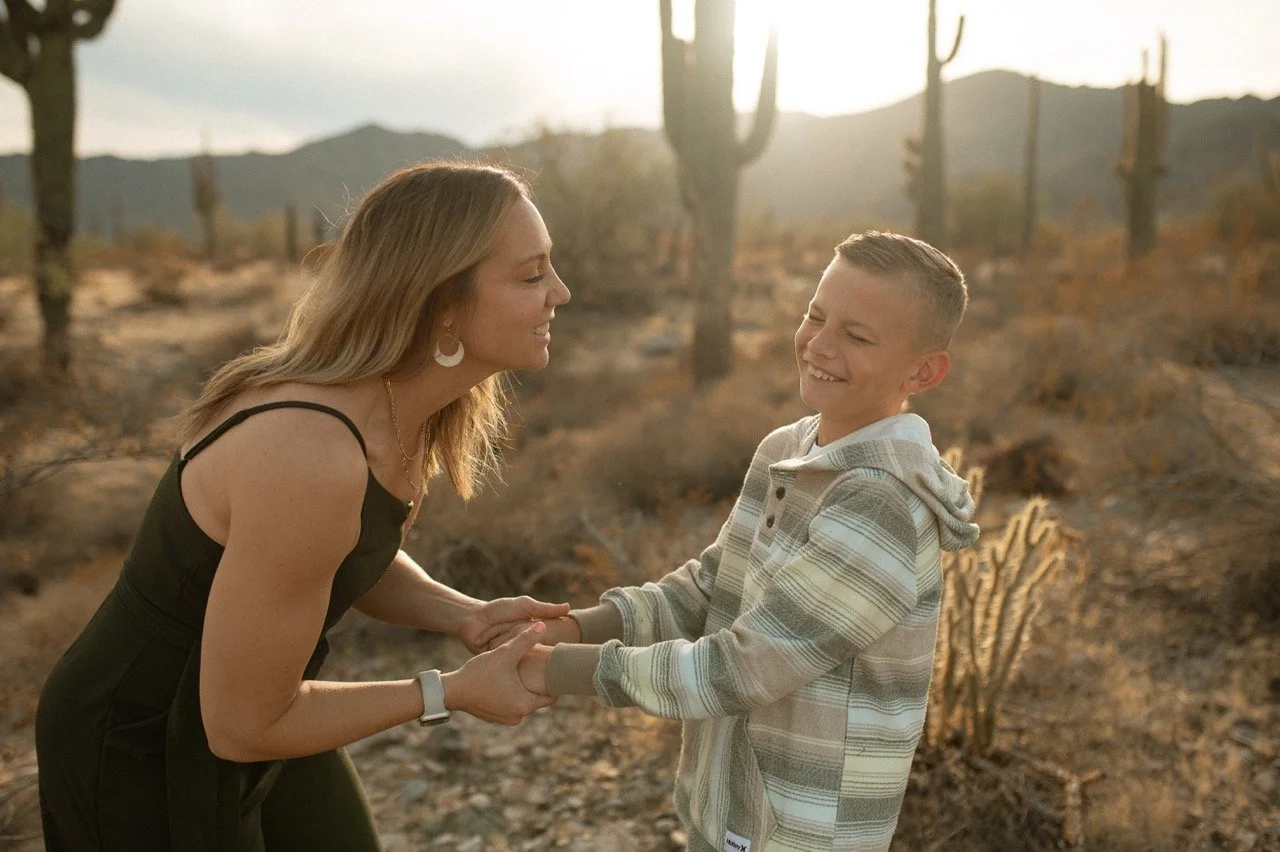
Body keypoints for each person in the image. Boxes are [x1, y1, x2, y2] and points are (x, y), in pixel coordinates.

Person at [35, 161, 573, 850]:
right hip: (141, 738)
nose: (561, 291)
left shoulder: (403, 407)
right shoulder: (311, 454)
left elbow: (347, 552)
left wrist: (463, 614)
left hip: (265, 700)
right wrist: (453, 691)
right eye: (531, 275)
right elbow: (240, 724)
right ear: (440, 303)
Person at [512, 231, 981, 852]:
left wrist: (550, 673)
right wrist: (570, 629)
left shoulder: (882, 506)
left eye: (857, 336)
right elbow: (713, 585)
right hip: (731, 805)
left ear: (924, 370)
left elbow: (745, 666)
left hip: (803, 833)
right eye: (816, 315)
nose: (819, 344)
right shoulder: (787, 450)